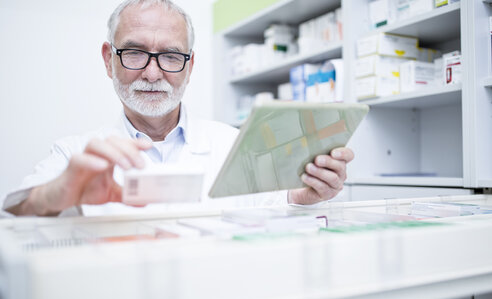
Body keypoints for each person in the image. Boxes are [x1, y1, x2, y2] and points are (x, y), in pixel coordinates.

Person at [2, 0, 354, 217]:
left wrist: (305, 196)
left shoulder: (236, 146)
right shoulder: (75, 154)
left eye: (171, 56)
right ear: (109, 60)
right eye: (135, 52)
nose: (153, 73)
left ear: (190, 65)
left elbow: (280, 211)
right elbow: (13, 216)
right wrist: (54, 195)